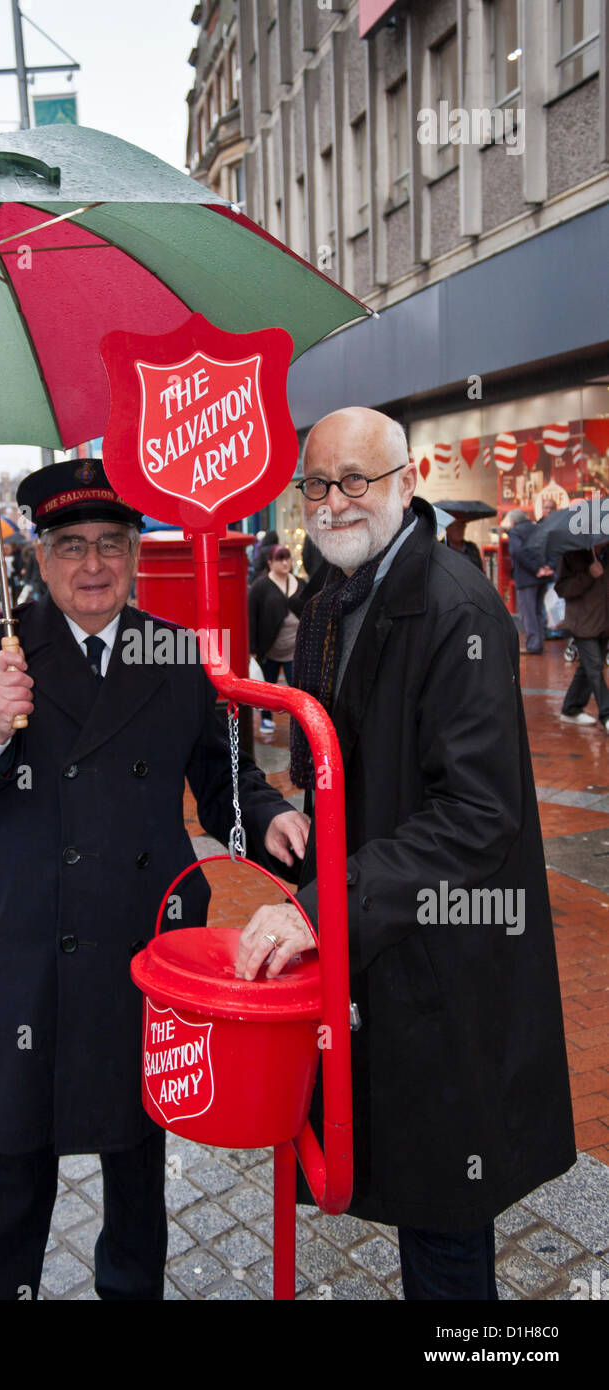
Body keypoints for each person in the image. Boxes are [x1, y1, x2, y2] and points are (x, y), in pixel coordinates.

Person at [0, 458, 308, 1301]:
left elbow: (222, 777)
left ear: (134, 554)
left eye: (110, 544)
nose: (92, 565)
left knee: (137, 1175)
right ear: (41, 560)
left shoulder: (174, 651)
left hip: (141, 958)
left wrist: (267, 818)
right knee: (5, 1185)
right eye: (71, 545)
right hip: (21, 964)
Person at [235, 407, 575, 1301]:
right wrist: (302, 821)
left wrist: (323, 904)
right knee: (416, 1189)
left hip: (443, 955)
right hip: (385, 937)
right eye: (316, 484)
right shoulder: (337, 591)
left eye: (356, 479)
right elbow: (351, 755)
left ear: (406, 482)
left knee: (446, 1216)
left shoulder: (455, 607)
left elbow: (477, 813)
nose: (334, 502)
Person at [248, 545, 306, 735]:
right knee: (268, 686)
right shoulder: (260, 586)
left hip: (295, 647)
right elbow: (251, 617)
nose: (285, 563)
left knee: (297, 687)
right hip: (269, 647)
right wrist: (252, 647)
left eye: (287, 558)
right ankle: (266, 719)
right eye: (280, 559)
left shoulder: (300, 582)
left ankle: (299, 722)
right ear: (270, 563)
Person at [554, 544, 609, 730]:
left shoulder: (606, 553)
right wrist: (589, 575)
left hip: (603, 621)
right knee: (594, 667)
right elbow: (563, 589)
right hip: (582, 622)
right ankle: (607, 714)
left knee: (587, 667)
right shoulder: (572, 554)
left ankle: (571, 709)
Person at [504, 508, 553, 654]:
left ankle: (533, 644)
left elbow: (516, 551)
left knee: (528, 612)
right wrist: (544, 567)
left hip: (526, 578)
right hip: (542, 577)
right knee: (538, 611)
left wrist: (535, 568)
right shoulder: (537, 528)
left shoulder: (515, 532)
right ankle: (539, 641)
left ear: (513, 521)